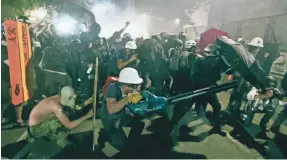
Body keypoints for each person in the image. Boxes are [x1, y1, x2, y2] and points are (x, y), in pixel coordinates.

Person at [98, 68, 145, 156]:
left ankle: (130, 144)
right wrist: (127, 99)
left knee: (139, 122)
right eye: (135, 86)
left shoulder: (130, 89)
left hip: (123, 114)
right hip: (109, 119)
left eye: (138, 85)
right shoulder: (112, 88)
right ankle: (105, 134)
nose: (138, 88)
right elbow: (111, 110)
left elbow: (139, 100)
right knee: (124, 148)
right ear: (125, 85)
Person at [28, 86, 93, 148]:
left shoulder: (60, 97)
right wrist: (87, 116)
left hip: (40, 119)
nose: (74, 100)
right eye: (72, 98)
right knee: (59, 124)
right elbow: (69, 125)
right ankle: (60, 140)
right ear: (68, 98)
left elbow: (73, 107)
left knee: (67, 113)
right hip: (34, 128)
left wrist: (87, 102)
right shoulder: (57, 108)